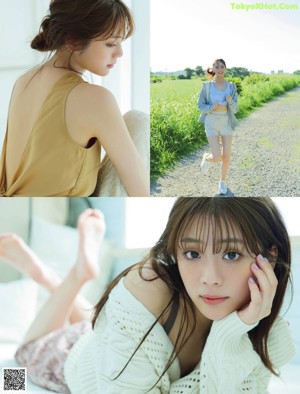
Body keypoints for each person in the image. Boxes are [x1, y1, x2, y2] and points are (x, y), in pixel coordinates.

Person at [0, 199, 296, 393]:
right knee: (18, 360)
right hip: (74, 359)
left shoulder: (262, 326)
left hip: (106, 335)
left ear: (269, 256)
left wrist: (233, 331)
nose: (209, 277)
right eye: (192, 253)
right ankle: (68, 275)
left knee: (94, 323)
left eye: (231, 254)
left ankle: (70, 275)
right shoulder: (148, 286)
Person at [0, 0, 149, 197]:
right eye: (111, 43)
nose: (119, 53)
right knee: (138, 121)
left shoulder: (23, 81)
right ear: (73, 41)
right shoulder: (95, 99)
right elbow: (141, 192)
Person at [198, 59, 239, 195]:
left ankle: (222, 181)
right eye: (217, 66)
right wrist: (211, 107)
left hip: (226, 122)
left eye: (222, 66)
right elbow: (200, 106)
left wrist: (231, 101)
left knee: (226, 156)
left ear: (225, 69)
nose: (220, 69)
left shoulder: (231, 86)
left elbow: (236, 108)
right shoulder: (207, 87)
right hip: (211, 122)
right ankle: (207, 158)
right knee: (216, 157)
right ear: (213, 69)